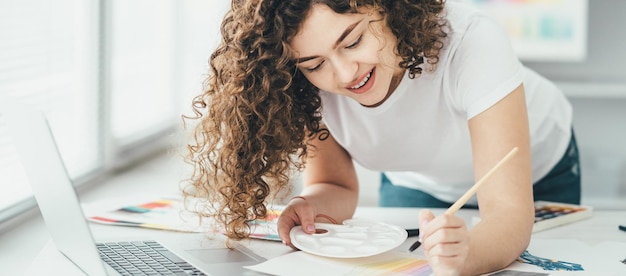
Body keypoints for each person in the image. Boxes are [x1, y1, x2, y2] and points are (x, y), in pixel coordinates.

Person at [183, 0, 580, 275]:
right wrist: (311, 205)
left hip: (538, 169)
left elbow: (508, 214)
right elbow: (335, 185)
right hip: (416, 177)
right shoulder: (303, 88)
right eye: (315, 63)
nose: (343, 74)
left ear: (389, 9)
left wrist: (468, 257)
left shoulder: (472, 42)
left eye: (352, 41)